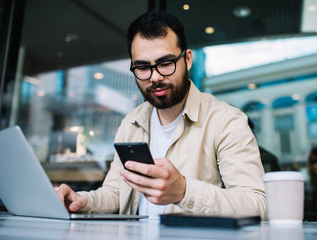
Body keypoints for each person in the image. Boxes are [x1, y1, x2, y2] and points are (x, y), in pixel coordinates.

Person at [55, 10, 267, 220]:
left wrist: (184, 191)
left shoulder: (226, 121)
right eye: (143, 67)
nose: (155, 77)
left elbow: (258, 205)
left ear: (188, 59)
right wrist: (82, 201)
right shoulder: (131, 122)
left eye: (166, 63)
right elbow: (117, 193)